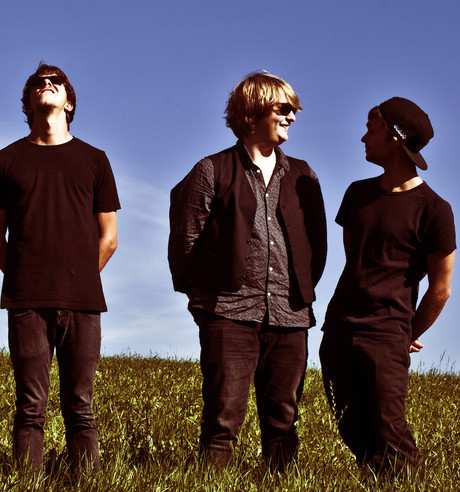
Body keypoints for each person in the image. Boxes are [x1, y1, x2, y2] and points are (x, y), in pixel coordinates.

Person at [167, 71, 326, 470]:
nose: (291, 117)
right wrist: (205, 301)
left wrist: (299, 289)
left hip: (290, 316)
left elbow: (317, 247)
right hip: (228, 313)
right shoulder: (211, 170)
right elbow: (185, 241)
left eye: (294, 110)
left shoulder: (304, 175)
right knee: (222, 419)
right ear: (253, 111)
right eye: (283, 108)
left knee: (284, 422)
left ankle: (280, 483)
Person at [0, 63, 120, 476]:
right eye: (38, 83)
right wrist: (25, 279)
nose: (46, 84)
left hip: (83, 301)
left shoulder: (95, 160)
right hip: (26, 301)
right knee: (30, 407)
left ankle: (88, 484)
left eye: (55, 81)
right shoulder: (4, 160)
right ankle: (28, 484)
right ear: (27, 104)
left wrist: (79, 278)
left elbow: (109, 237)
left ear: (69, 102)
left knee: (81, 407)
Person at [319, 97, 455, 475]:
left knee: (390, 431)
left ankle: (413, 482)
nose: (363, 138)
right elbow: (356, 261)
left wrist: (406, 333)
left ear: (395, 138)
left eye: (371, 129)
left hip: (387, 335)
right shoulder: (357, 194)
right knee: (350, 425)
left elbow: (440, 289)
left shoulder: (435, 210)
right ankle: (375, 481)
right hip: (339, 329)